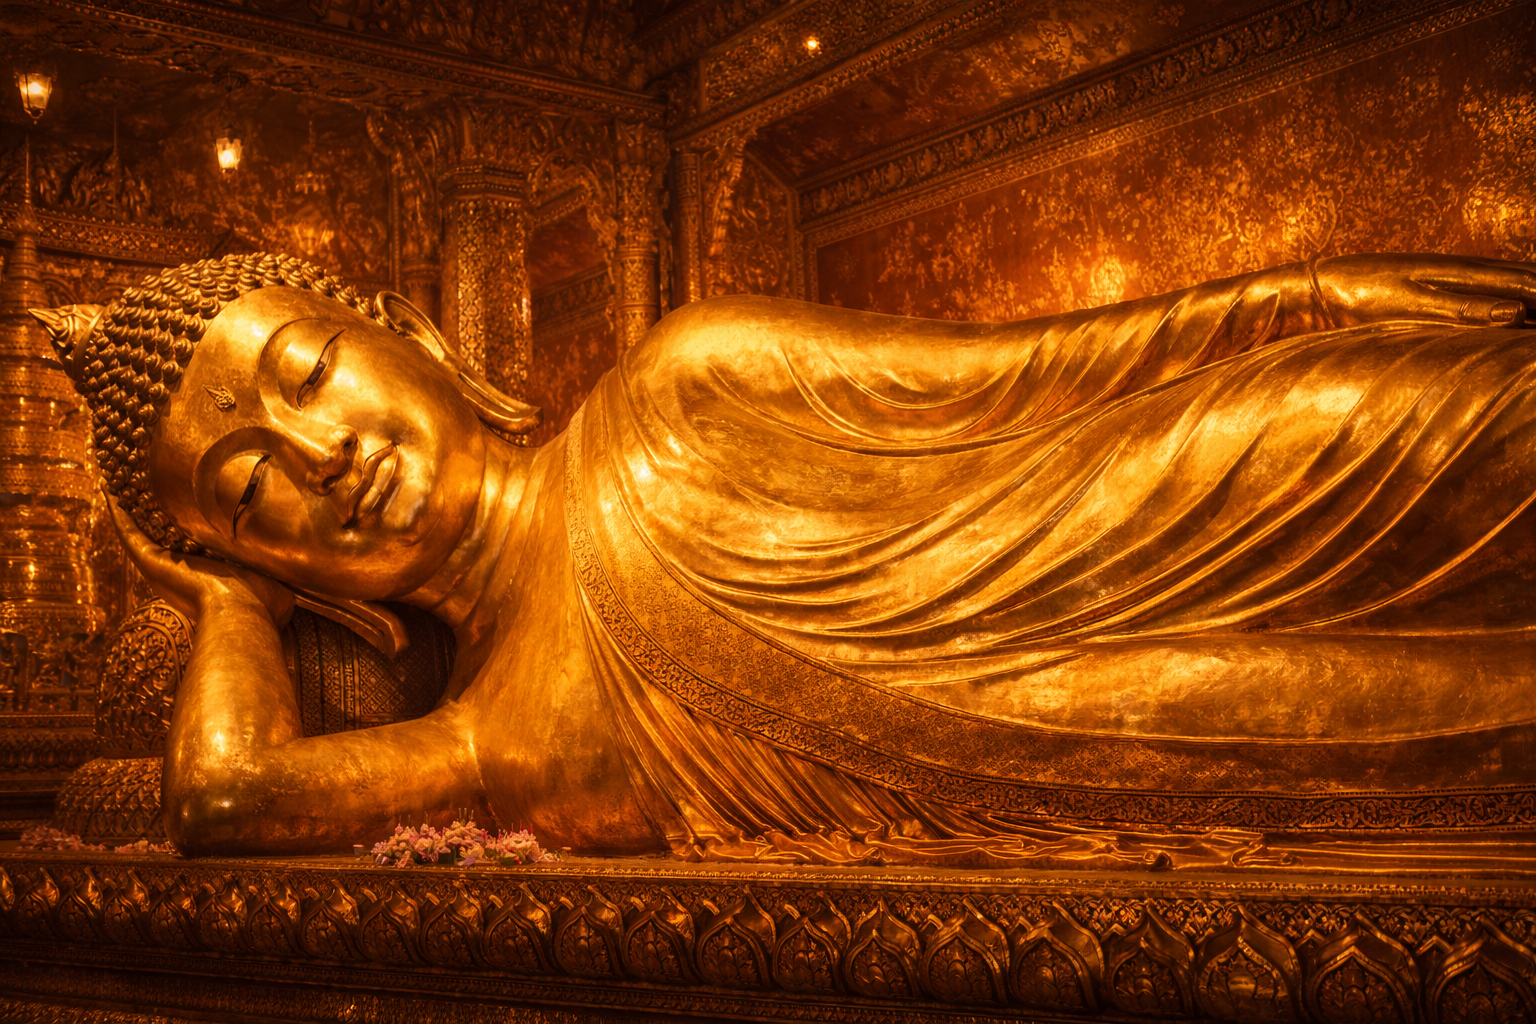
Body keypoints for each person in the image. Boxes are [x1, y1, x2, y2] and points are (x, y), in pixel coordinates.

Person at [33, 250, 1536, 869]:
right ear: (280, 567)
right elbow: (227, 799)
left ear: (410, 341)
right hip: (1118, 719)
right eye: (248, 490)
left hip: (1182, 497)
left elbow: (1054, 374)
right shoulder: (489, 732)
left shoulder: (687, 374)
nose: (315, 456)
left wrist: (1313, 294)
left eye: (306, 372)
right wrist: (217, 591)